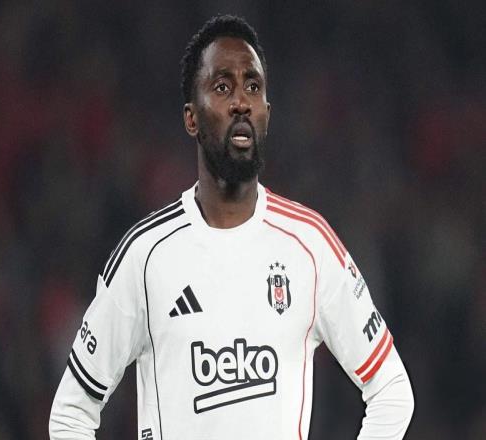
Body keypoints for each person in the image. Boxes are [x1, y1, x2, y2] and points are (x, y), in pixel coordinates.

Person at [49, 14, 414, 439]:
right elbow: (71, 415)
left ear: (266, 114)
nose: (241, 101)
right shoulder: (145, 256)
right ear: (191, 118)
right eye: (222, 87)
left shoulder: (310, 245)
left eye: (253, 87)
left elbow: (391, 390)